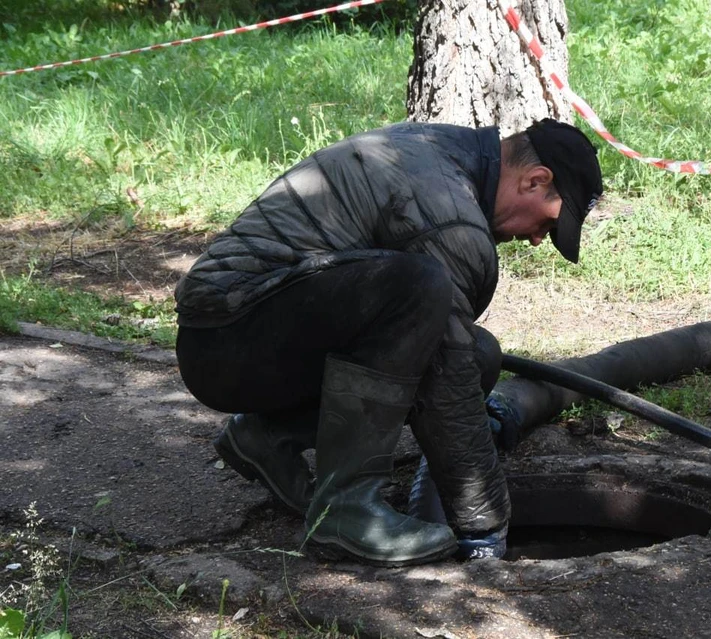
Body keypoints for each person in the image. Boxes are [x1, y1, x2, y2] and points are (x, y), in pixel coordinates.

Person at [174, 118, 603, 566]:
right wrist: (485, 526)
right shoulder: (449, 210)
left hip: (248, 331)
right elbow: (448, 382)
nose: (537, 240)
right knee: (419, 289)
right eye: (548, 226)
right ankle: (346, 510)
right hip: (228, 340)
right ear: (536, 180)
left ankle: (268, 438)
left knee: (479, 354)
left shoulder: (441, 150)